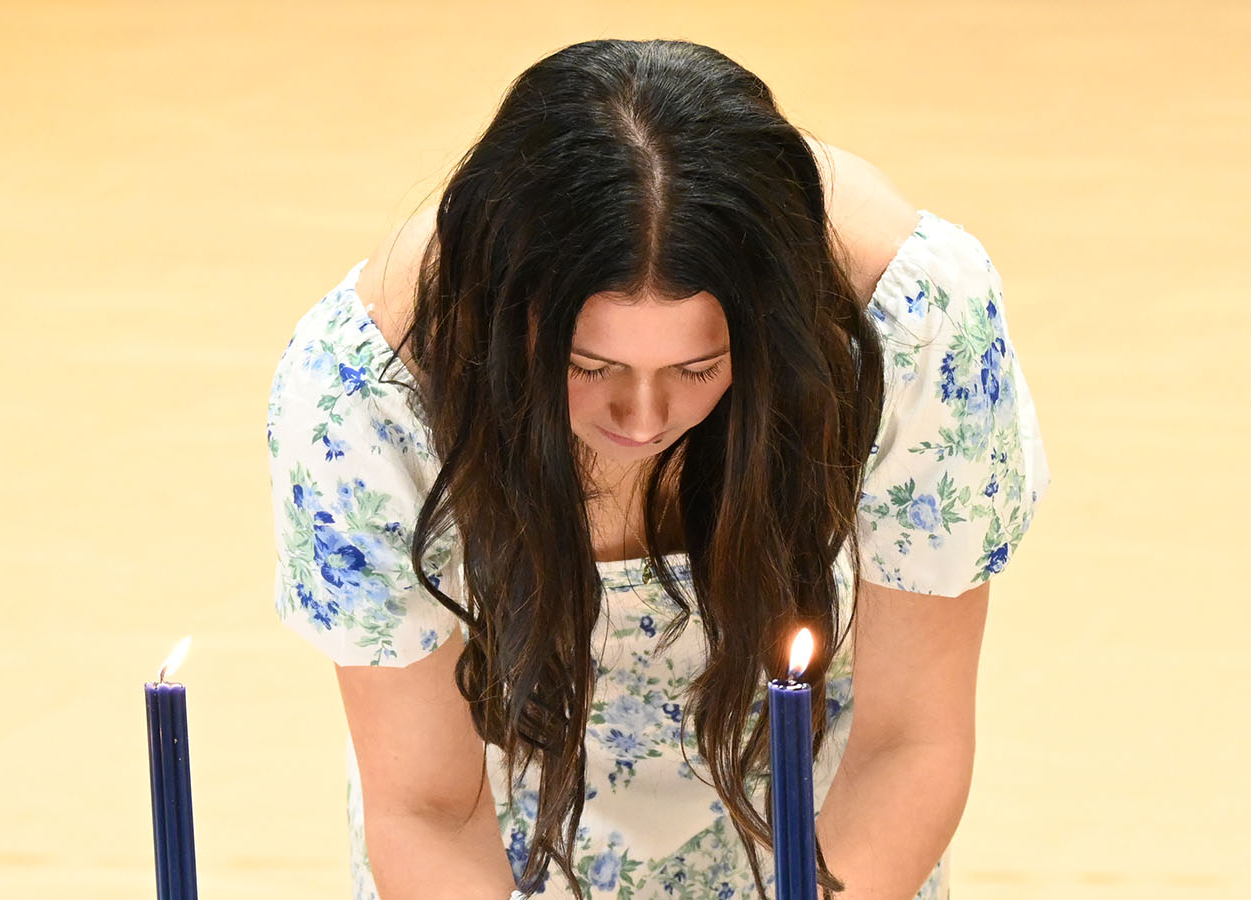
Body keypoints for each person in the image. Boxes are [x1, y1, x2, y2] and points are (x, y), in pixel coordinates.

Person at [264, 39, 1047, 900]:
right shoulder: (367, 388)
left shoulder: (913, 322)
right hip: (493, 814)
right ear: (506, 321)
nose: (641, 421)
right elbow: (428, 806)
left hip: (828, 816)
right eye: (590, 366)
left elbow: (912, 741)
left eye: (698, 368)